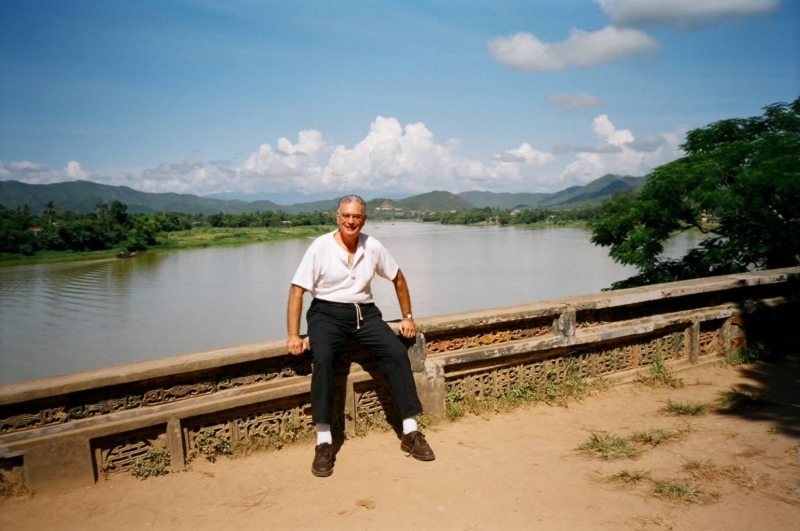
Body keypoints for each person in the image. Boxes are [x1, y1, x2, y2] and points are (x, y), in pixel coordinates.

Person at [286, 194, 435, 477]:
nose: (351, 221)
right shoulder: (320, 247)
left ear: (364, 220)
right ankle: (324, 440)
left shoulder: (372, 246)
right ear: (337, 217)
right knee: (325, 359)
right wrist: (294, 335)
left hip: (364, 314)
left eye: (357, 217)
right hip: (326, 314)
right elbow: (297, 290)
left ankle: (411, 432)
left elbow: (398, 278)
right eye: (346, 216)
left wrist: (407, 317)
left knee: (395, 353)